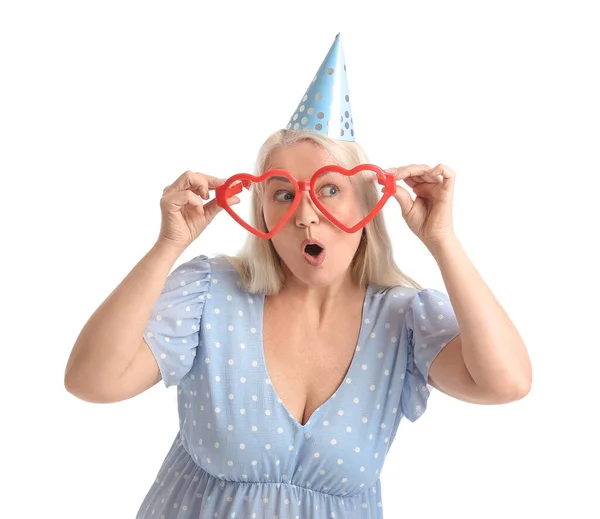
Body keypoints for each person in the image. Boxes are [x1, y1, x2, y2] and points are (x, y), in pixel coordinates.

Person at [64, 34, 531, 519]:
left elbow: (507, 382)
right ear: (264, 214)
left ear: (366, 205)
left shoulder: (404, 322)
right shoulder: (210, 297)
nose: (306, 215)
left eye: (328, 189)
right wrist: (169, 245)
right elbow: (92, 381)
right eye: (284, 195)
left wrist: (442, 241)